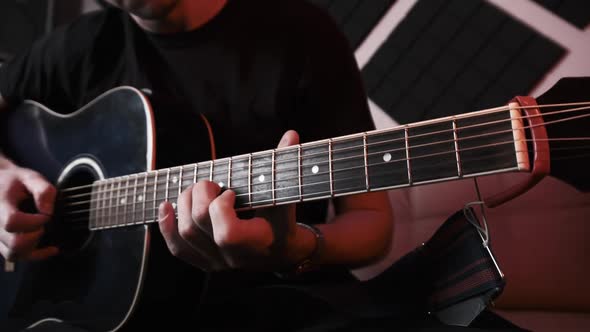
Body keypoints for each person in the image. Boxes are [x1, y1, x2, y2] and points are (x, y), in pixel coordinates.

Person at [0, 0, 394, 330]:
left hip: (281, 306)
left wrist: (296, 248)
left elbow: (371, 221)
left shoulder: (302, 34)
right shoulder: (84, 44)